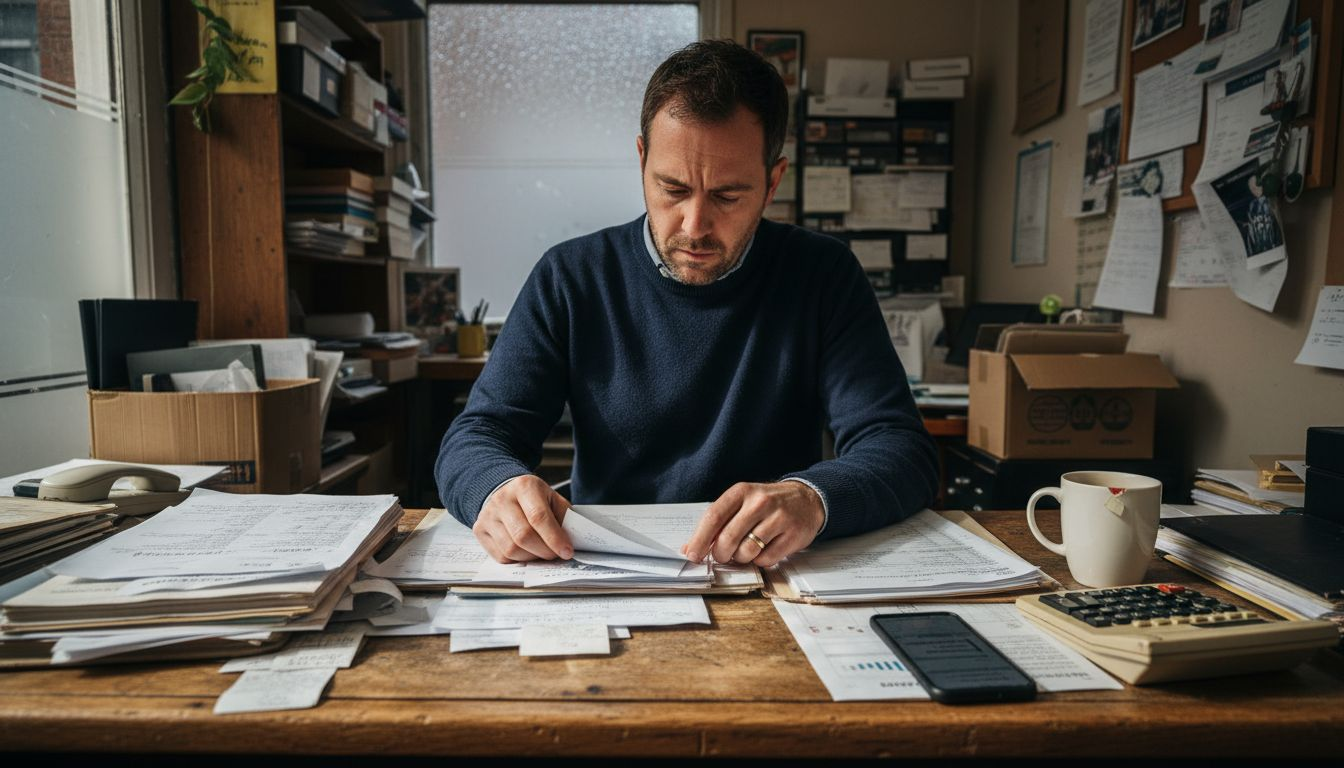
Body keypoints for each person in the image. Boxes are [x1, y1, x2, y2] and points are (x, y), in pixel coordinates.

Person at [436, 40, 938, 567]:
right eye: (672, 189)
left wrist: (814, 497)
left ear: (772, 183)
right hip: (602, 573)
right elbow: (478, 434)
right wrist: (496, 487)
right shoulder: (570, 277)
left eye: (727, 196)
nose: (694, 227)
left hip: (768, 574)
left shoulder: (823, 275)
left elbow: (901, 449)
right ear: (641, 160)